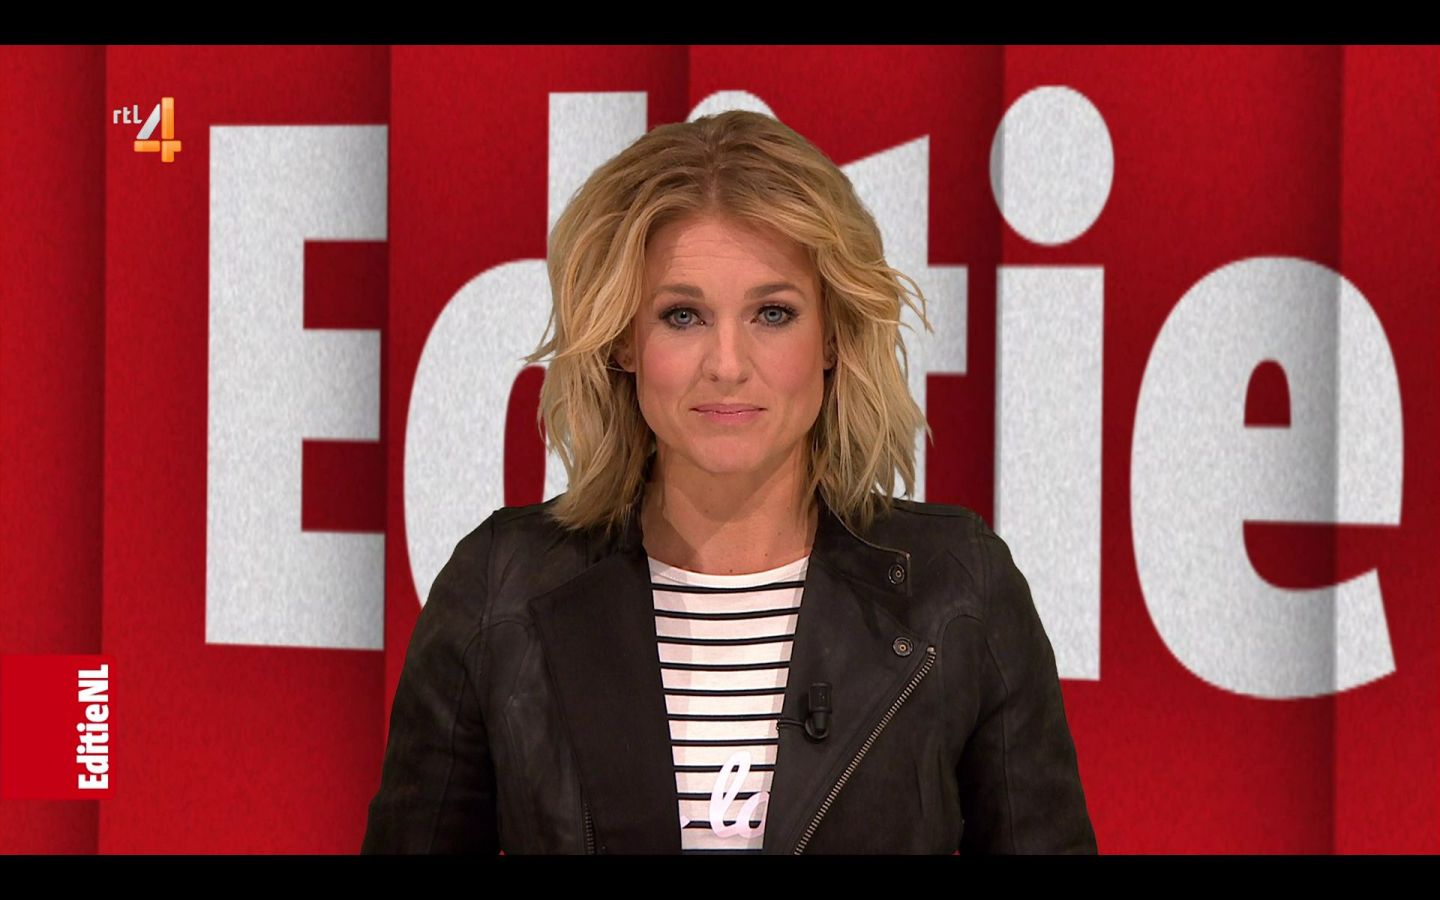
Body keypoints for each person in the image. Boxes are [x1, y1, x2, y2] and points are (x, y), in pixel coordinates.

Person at [362, 110, 1096, 854]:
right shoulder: (499, 587)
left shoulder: (959, 589)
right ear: (622, 341)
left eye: (773, 313)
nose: (727, 364)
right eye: (682, 316)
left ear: (834, 335)